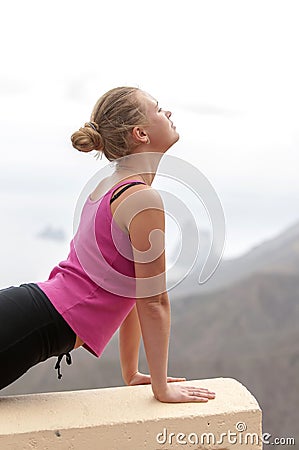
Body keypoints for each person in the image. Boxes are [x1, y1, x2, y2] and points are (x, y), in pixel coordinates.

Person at [0, 86, 215, 403]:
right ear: (141, 132)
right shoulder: (141, 199)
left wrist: (131, 372)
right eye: (158, 108)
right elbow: (153, 300)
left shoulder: (109, 186)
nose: (167, 112)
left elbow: (128, 285)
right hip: (35, 322)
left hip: (32, 312)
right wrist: (161, 388)